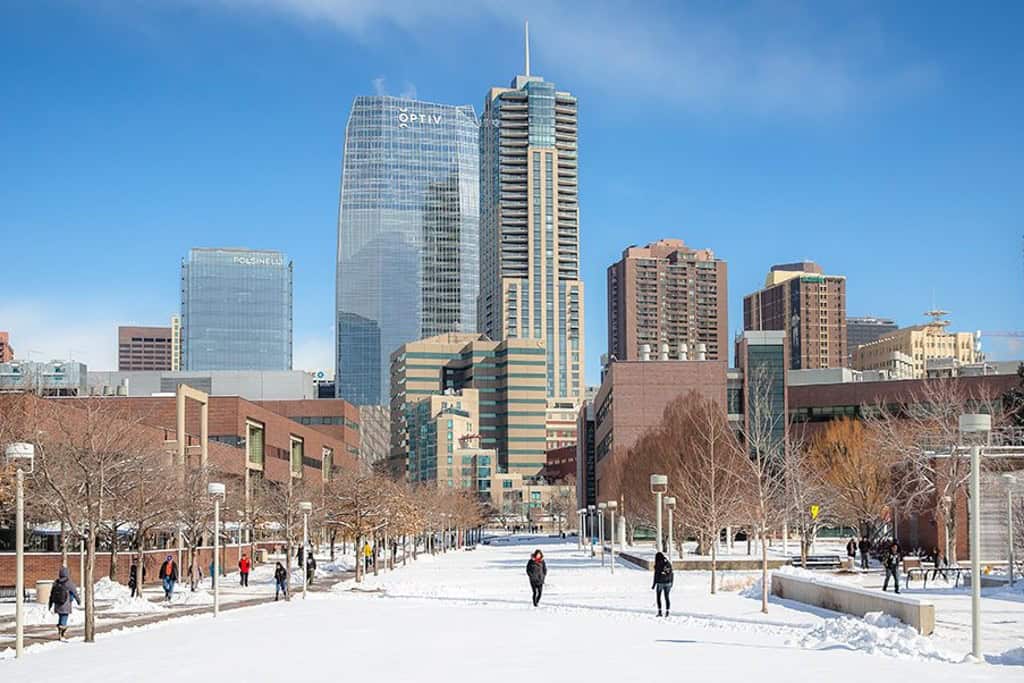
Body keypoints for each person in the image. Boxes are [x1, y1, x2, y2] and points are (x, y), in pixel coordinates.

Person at [48, 566, 81, 641]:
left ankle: (60, 632)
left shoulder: (56, 582)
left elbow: (52, 594)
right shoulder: (68, 582)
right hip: (65, 604)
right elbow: (75, 592)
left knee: (61, 617)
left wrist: (50, 604)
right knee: (64, 618)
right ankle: (61, 634)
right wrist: (78, 600)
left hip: (57, 604)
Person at [652, 551, 674, 617]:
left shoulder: (658, 564)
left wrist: (654, 584)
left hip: (660, 583)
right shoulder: (668, 563)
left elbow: (656, 575)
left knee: (658, 597)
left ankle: (660, 612)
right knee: (667, 597)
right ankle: (667, 612)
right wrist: (671, 582)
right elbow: (672, 573)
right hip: (668, 583)